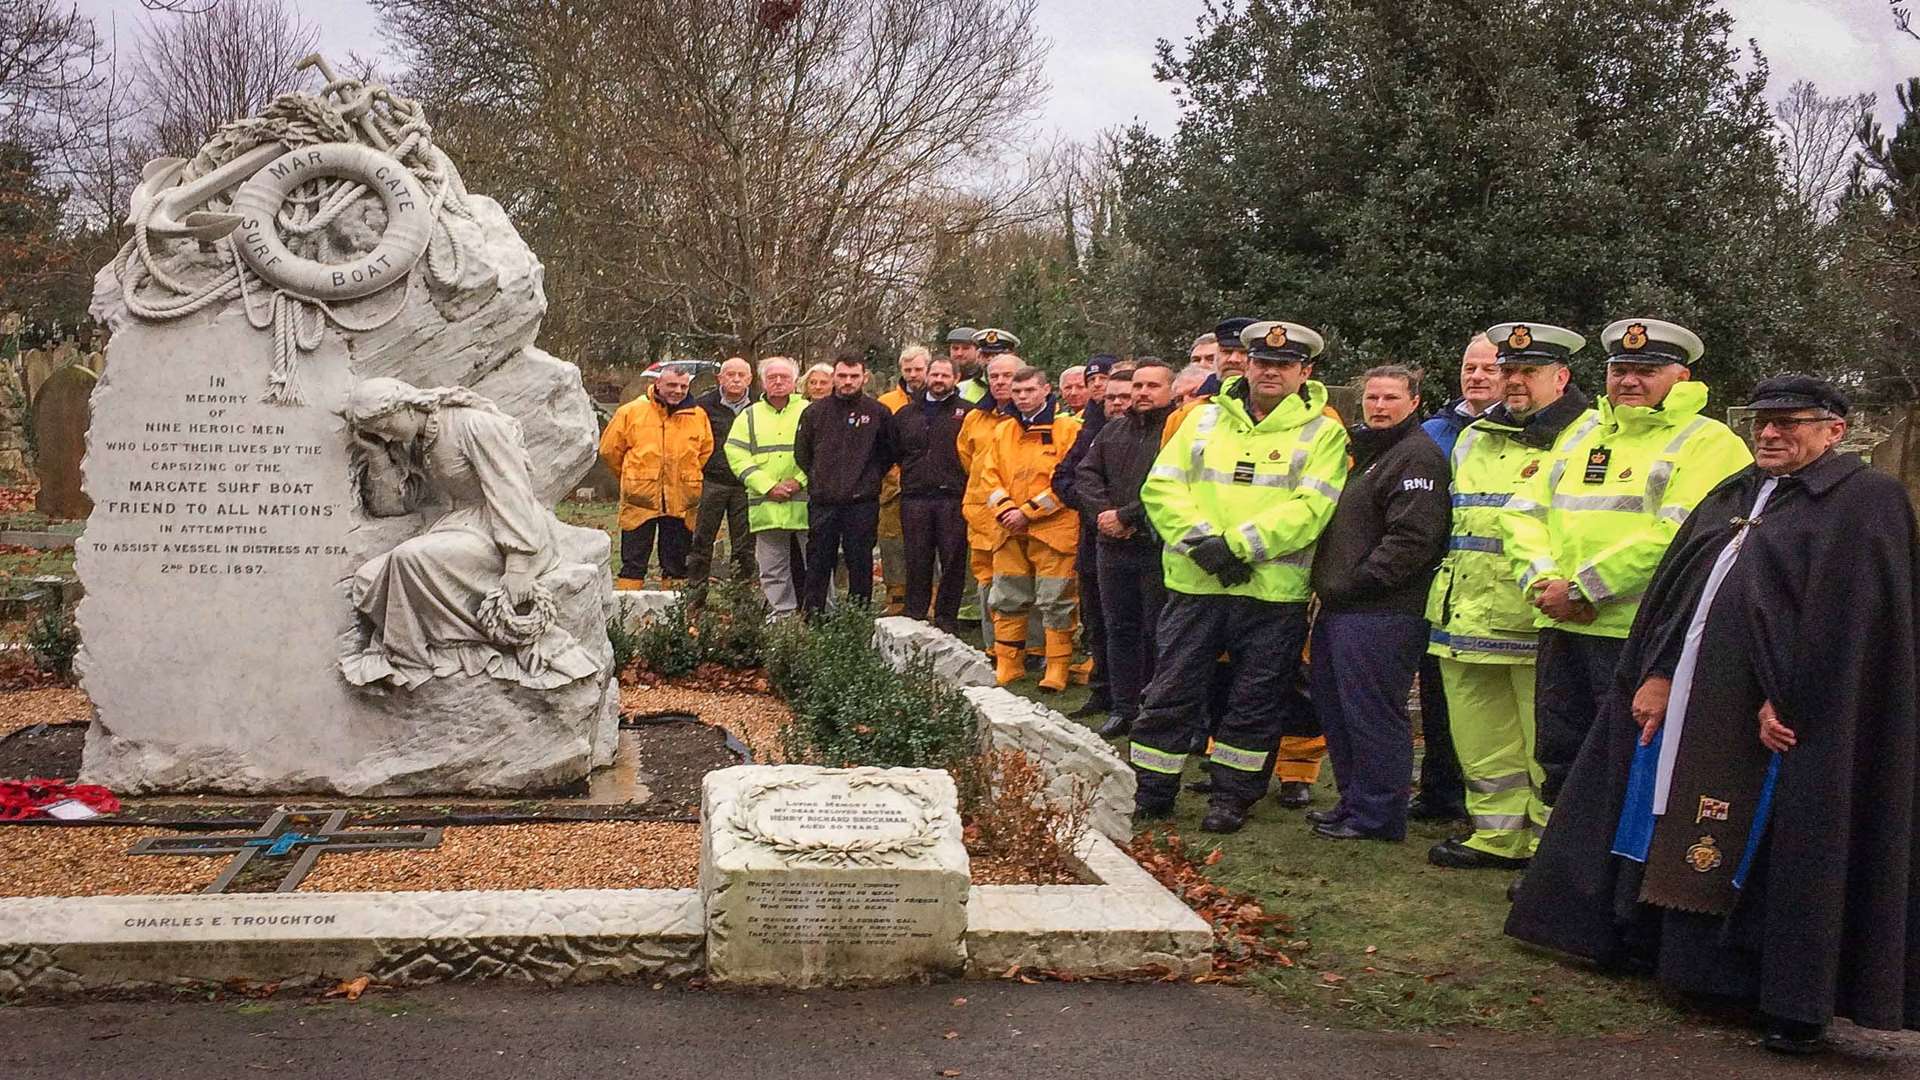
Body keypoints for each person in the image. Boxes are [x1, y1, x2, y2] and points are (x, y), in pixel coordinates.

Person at [1507, 376, 1920, 1053]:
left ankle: (1789, 997)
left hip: (1786, 724)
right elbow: (1686, 592)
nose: (1771, 433)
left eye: (1792, 423)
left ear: (1835, 431)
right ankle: (1673, 960)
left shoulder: (1864, 502)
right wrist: (1660, 672)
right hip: (1700, 702)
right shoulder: (1736, 493)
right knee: (1672, 816)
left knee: (1782, 846)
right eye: (1764, 421)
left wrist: (1794, 698)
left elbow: (1852, 622)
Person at [1502, 319, 1751, 811]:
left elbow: (1680, 538)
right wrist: (1545, 583)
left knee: (1629, 759)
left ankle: (1615, 879)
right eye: (1620, 369)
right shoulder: (1584, 433)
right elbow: (1522, 512)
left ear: (1681, 377)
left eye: (1646, 370)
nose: (1629, 381)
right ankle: (1562, 877)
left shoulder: (1709, 442)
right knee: (1560, 757)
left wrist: (1584, 590)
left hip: (1643, 636)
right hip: (1563, 626)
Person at [1130, 320, 1348, 834]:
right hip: (1195, 585)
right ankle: (1152, 791)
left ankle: (1231, 798)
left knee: (1255, 700)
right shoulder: (1200, 421)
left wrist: (1236, 546)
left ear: (1305, 371)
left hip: (1272, 594)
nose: (1271, 372)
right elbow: (1161, 489)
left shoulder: (1324, 431)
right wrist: (1203, 543)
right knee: (1171, 691)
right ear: (1245, 364)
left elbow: (1312, 507)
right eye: (1263, 363)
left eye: (1284, 365)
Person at [1425, 322, 1595, 870]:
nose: (1515, 381)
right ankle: (1495, 835)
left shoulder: (1586, 434)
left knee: (1545, 739)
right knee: (1480, 736)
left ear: (1561, 377)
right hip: (1464, 608)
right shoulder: (1476, 433)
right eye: (1509, 370)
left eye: (1530, 371)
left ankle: (1549, 847)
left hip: (1534, 610)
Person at [341, 379, 600, 691]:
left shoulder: (474, 425)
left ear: (406, 407)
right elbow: (392, 508)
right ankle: (428, 649)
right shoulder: (413, 443)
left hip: (504, 530)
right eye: (377, 431)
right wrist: (378, 456)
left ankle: (409, 658)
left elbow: (512, 491)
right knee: (369, 578)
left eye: (385, 425)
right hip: (455, 528)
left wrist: (517, 565)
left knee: (409, 558)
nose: (384, 435)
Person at [1305, 366, 1451, 842]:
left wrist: (1359, 582)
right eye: (1372, 397)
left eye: (1391, 397)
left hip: (1382, 610)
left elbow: (1413, 538)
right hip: (1343, 607)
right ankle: (1353, 801)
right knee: (1339, 711)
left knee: (1373, 715)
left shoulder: (1417, 457)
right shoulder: (1372, 454)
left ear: (1415, 402)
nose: (1380, 406)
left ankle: (1379, 815)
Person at [1409, 335, 1505, 823]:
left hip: (1495, 587)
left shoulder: (1523, 432)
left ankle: (1485, 799)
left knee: (1489, 702)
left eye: (1490, 367)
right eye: (1470, 366)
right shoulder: (1434, 430)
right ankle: (1437, 789)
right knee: (1437, 692)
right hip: (1437, 580)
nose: (1478, 376)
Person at [1074, 359, 1176, 738]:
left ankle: (1155, 709)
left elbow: (1172, 486)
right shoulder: (1113, 430)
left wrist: (1128, 516)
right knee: (1118, 630)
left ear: (1170, 390)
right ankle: (1122, 707)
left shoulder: (1176, 432)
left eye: (1152, 386)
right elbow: (1086, 474)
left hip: (1155, 545)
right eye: (1138, 386)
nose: (1142, 393)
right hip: (1110, 546)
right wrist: (1103, 514)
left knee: (1157, 632)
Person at [980, 366, 1082, 690]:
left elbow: (1070, 481)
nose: (1022, 397)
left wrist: (1028, 511)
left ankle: (1057, 668)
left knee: (1056, 600)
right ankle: (1009, 664)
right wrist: (1007, 509)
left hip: (1053, 530)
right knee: (1007, 597)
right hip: (1008, 529)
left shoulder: (1067, 429)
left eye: (1029, 391)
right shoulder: (1003, 430)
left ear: (1046, 390)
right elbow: (988, 477)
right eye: (1017, 392)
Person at [1050, 354, 1125, 716]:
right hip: (1094, 536)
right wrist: (1096, 508)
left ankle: (1132, 697)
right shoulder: (1092, 426)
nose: (1100, 388)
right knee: (1097, 618)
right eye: (1094, 381)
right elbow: (1065, 476)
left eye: (1106, 381)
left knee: (1132, 625)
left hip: (1134, 537)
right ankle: (1103, 689)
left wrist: (1120, 514)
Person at [794, 351, 897, 613]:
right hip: (823, 503)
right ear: (834, 377)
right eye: (842, 376)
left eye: (854, 376)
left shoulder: (878, 413)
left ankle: (857, 618)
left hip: (861, 503)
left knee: (860, 563)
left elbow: (888, 453)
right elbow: (803, 454)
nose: (848, 381)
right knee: (818, 563)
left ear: (864, 377)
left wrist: (869, 479)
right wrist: (820, 480)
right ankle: (814, 617)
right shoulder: (814, 413)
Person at [599, 363, 710, 590]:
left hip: (682, 500)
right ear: (657, 384)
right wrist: (633, 476)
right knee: (633, 562)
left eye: (683, 386)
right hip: (640, 500)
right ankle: (628, 615)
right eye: (671, 385)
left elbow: (705, 452)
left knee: (677, 564)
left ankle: (674, 617)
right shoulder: (631, 412)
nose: (677, 390)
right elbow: (609, 450)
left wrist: (686, 476)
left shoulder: (698, 415)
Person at [725, 356, 810, 616]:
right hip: (767, 504)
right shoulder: (748, 416)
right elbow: (736, 454)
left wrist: (799, 481)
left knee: (818, 563)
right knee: (772, 568)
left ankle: (820, 615)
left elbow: (821, 452)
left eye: (784, 377)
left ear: (795, 381)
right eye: (772, 377)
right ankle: (782, 616)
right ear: (762, 382)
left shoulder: (810, 411)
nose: (778, 382)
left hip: (806, 504)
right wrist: (768, 486)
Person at [895, 355, 972, 635]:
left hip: (953, 497)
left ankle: (946, 619)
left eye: (945, 375)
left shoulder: (968, 413)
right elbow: (894, 451)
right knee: (916, 558)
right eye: (935, 374)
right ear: (927, 376)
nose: (939, 380)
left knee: (952, 560)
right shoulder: (906, 413)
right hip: (915, 497)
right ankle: (914, 614)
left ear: (956, 378)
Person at [958, 344, 1022, 648]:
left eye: (1007, 375)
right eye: (994, 375)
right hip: (981, 513)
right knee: (985, 580)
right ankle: (992, 644)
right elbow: (966, 457)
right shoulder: (975, 418)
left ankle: (1026, 647)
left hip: (1017, 515)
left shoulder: (1035, 418)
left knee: (1017, 583)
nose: (999, 382)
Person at [685, 356, 758, 605]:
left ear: (750, 379)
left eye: (741, 375)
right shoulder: (703, 405)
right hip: (712, 482)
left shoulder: (758, 405)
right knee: (701, 541)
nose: (736, 380)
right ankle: (695, 598)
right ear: (720, 379)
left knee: (745, 546)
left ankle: (742, 600)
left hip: (745, 484)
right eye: (730, 375)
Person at [875, 346, 930, 615]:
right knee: (892, 540)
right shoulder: (886, 402)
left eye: (918, 369)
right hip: (892, 485)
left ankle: (930, 597)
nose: (912, 375)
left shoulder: (937, 400)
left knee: (929, 542)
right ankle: (895, 597)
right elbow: (879, 444)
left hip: (927, 483)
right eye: (907, 370)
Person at [948, 327, 986, 403]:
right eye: (955, 348)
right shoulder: (940, 376)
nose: (959, 353)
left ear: (978, 351)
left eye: (965, 348)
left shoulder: (983, 378)